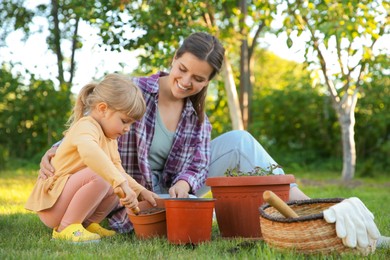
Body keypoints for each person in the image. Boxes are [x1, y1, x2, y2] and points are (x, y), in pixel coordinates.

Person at [38, 32, 389, 249]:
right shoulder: (134, 92)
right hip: (136, 194)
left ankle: (314, 213)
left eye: (199, 79)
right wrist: (54, 151)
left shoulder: (196, 116)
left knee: (240, 140)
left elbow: (199, 161)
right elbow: (92, 121)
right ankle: (317, 218)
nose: (186, 82)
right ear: (172, 61)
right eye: (182, 70)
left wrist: (186, 181)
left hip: (172, 193)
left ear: (209, 81)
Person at [25, 73, 159, 243]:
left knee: (114, 179)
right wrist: (119, 181)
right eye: (124, 121)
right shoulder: (86, 126)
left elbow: (117, 169)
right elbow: (90, 152)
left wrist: (140, 190)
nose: (127, 129)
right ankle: (65, 228)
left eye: (131, 124)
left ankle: (87, 224)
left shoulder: (110, 139)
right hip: (51, 206)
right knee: (104, 175)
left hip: (63, 203)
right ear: (103, 109)